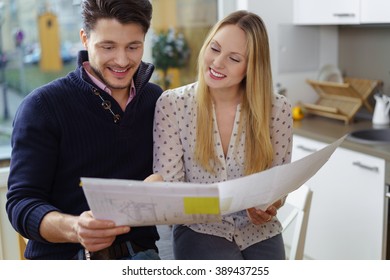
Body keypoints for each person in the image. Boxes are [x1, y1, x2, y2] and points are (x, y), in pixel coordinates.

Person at [6, 0, 163, 260]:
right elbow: (21, 204)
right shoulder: (42, 106)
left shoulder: (157, 100)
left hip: (142, 256)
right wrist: (75, 228)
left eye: (133, 47)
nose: (122, 60)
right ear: (84, 38)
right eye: (108, 46)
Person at [152, 10, 293, 260]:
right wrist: (223, 203)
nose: (217, 63)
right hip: (199, 228)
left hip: (259, 231)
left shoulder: (278, 109)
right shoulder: (173, 104)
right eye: (214, 49)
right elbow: (171, 193)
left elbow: (278, 185)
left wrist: (269, 206)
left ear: (251, 67)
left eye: (234, 58)